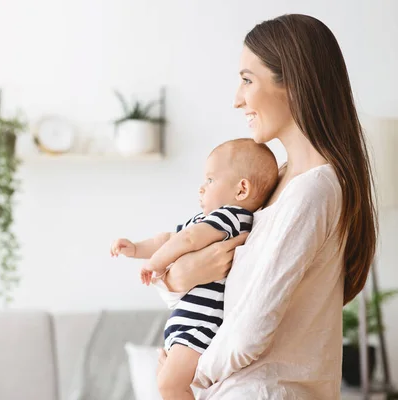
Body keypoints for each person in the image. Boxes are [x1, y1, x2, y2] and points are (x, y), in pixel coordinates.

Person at [156, 14, 378, 399]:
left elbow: (249, 332)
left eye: (247, 80)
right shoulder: (277, 182)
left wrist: (188, 377)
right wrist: (176, 279)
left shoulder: (312, 191)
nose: (237, 98)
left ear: (292, 82)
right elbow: (212, 287)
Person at [111, 139, 278, 400]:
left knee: (169, 386)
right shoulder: (206, 221)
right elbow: (168, 239)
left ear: (241, 189)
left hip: (200, 326)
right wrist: (136, 248)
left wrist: (155, 264)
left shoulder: (232, 216)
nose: (201, 188)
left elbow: (187, 240)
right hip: (187, 325)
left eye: (210, 180)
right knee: (168, 384)